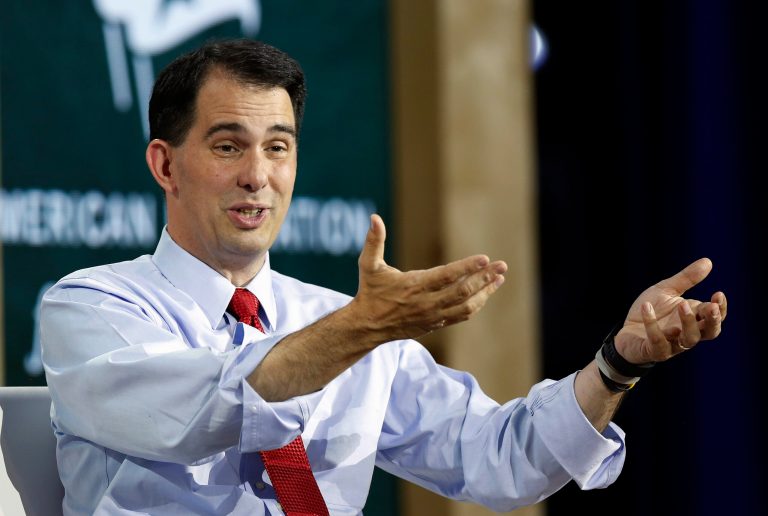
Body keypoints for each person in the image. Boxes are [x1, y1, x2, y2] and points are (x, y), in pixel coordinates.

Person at [40, 39, 726, 516]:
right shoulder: (93, 308)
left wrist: (614, 364)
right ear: (164, 166)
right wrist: (364, 327)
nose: (258, 175)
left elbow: (502, 460)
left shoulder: (349, 324)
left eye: (278, 148)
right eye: (228, 147)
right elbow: (210, 411)